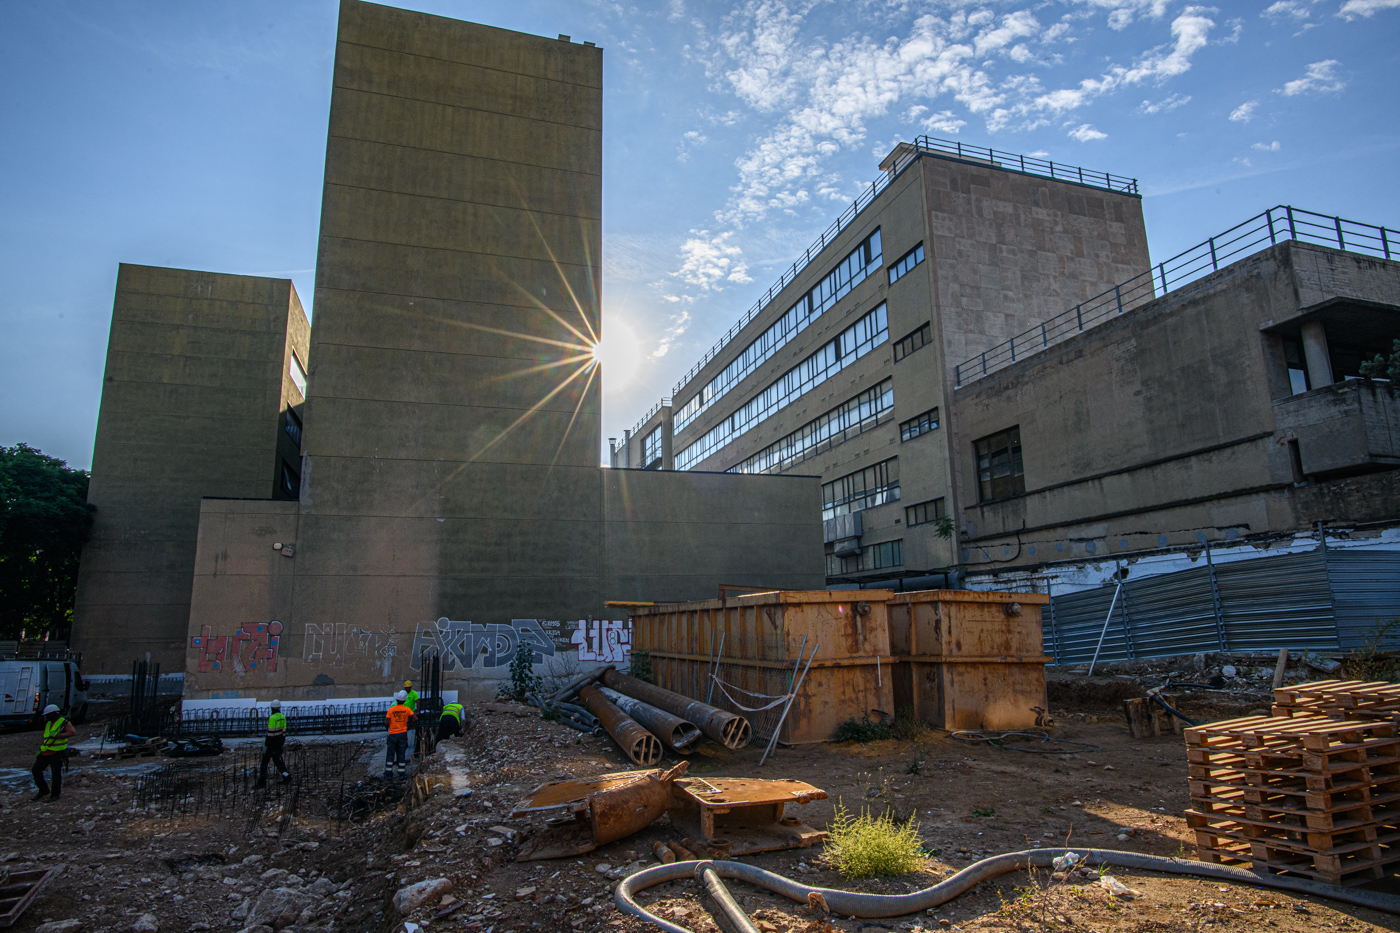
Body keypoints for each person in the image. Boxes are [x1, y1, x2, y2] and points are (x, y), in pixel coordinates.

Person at [32, 704, 75, 802]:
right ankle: (43, 790)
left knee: (56, 774)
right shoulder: (48, 723)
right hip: (45, 752)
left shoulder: (64, 722)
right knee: (36, 770)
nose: (46, 717)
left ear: (54, 713)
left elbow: (72, 732)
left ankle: (55, 795)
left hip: (58, 752)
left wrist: (60, 735)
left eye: (48, 715)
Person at [254, 699, 289, 788]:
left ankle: (262, 782)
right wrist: (281, 743)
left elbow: (270, 734)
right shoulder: (282, 717)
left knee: (264, 764)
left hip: (271, 745)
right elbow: (283, 732)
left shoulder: (272, 718)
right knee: (279, 763)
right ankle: (287, 776)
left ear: (272, 708)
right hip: (279, 744)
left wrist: (266, 746)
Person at [384, 690, 415, 779]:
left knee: (390, 753)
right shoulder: (407, 709)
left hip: (392, 734)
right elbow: (415, 717)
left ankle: (388, 773)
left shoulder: (391, 710)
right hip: (402, 734)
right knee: (401, 753)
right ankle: (401, 773)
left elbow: (386, 723)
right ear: (404, 700)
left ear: (397, 699)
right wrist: (412, 724)